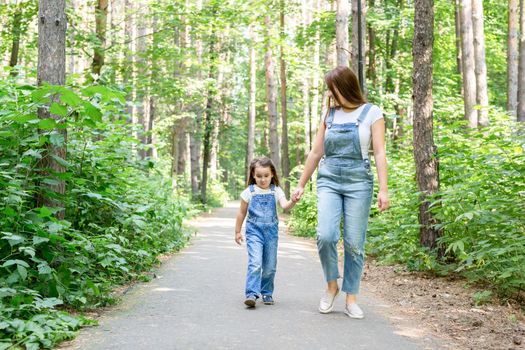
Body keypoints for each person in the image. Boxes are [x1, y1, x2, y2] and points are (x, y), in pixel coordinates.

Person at [292, 66, 389, 319]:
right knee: (325, 235)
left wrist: (383, 189)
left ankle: (351, 298)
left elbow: (379, 152)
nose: (330, 94)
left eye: (333, 88)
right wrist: (301, 183)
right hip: (329, 179)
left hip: (359, 182)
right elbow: (316, 152)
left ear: (345, 87)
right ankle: (331, 286)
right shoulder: (330, 115)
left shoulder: (372, 113)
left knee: (355, 243)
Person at [235, 156, 297, 308]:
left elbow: (285, 206)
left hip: (271, 233)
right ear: (253, 176)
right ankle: (251, 294)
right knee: (255, 263)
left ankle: (267, 291)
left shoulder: (276, 191)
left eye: (266, 176)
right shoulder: (249, 192)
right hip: (254, 231)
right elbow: (241, 213)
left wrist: (293, 201)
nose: (263, 180)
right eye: (259, 176)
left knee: (270, 266)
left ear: (272, 175)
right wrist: (237, 231)